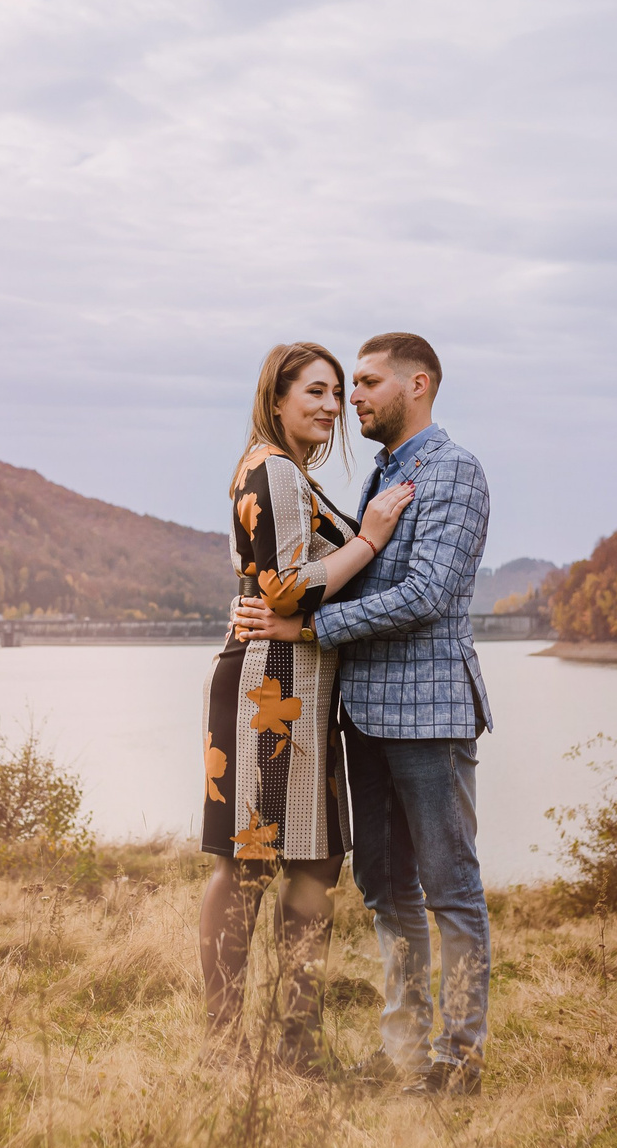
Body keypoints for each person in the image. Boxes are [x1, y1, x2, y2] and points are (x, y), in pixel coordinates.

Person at [233, 332, 492, 1096]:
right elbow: (332, 574)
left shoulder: (454, 471)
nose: (354, 397)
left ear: (419, 384)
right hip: (366, 718)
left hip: (433, 716)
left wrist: (306, 627)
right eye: (351, 385)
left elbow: (426, 595)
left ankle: (459, 1058)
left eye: (369, 382)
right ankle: (406, 1050)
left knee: (450, 887)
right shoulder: (383, 474)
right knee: (386, 891)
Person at [202, 341, 416, 1072]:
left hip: (302, 685)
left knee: (317, 861)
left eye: (337, 394)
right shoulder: (275, 468)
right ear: (278, 395)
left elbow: (280, 581)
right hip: (272, 685)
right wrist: (369, 538)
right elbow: (289, 588)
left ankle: (296, 1041)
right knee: (249, 863)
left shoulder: (275, 467)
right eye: (315, 392)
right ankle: (229, 1045)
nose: (331, 405)